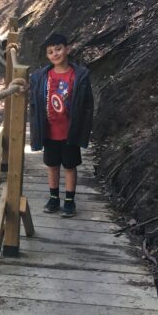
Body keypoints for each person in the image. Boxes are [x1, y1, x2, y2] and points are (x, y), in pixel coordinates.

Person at [29, 33, 94, 217]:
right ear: (47, 56)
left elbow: (87, 105)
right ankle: (54, 197)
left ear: (67, 49)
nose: (55, 54)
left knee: (70, 165)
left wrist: (84, 130)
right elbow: (34, 103)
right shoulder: (42, 76)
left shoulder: (79, 76)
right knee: (52, 165)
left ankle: (69, 200)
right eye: (50, 52)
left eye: (58, 49)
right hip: (49, 131)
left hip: (70, 131)